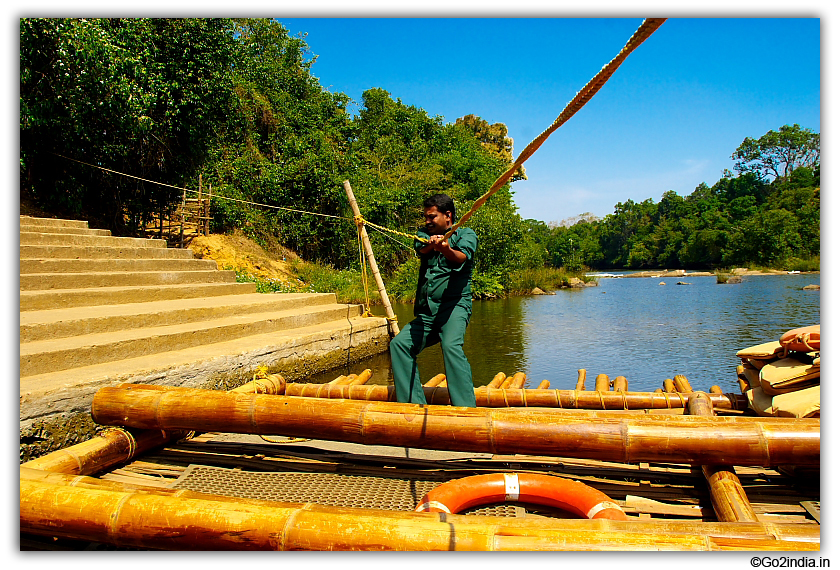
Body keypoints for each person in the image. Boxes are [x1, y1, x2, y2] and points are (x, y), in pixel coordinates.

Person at [389, 193, 477, 407]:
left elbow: (461, 258)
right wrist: (434, 243)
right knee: (399, 344)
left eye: (432, 217)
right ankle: (413, 405)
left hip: (454, 308)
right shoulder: (423, 235)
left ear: (448, 215)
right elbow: (422, 249)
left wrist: (445, 248)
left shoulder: (465, 234)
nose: (427, 221)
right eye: (426, 217)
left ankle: (465, 408)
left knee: (450, 346)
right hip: (428, 312)